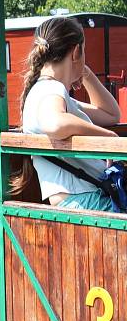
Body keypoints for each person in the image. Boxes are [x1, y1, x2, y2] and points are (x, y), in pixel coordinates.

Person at [12, 16, 121, 211]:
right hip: (87, 200)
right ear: (76, 51)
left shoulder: (43, 91)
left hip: (80, 199)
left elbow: (111, 113)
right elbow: (54, 124)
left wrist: (83, 71)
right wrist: (108, 136)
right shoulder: (52, 90)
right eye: (83, 50)